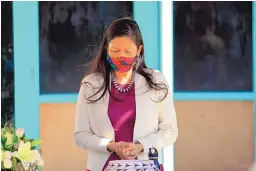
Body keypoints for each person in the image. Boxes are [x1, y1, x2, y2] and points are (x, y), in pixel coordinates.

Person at [74, 17, 178, 171]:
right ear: (106, 50)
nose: (121, 57)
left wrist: (141, 146)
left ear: (139, 51)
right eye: (115, 51)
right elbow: (81, 135)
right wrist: (110, 146)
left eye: (128, 51)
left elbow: (170, 130)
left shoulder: (156, 80)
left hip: (146, 166)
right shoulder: (91, 84)